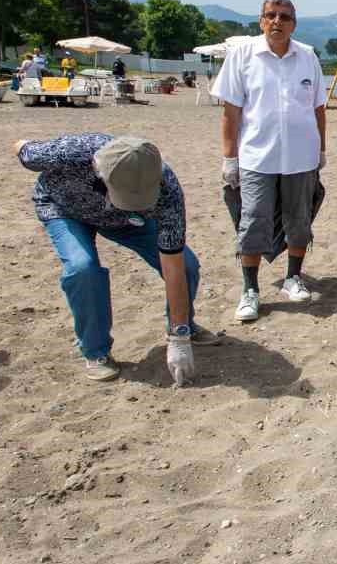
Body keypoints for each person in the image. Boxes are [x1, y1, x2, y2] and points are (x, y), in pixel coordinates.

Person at [16, 133, 219, 383]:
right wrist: (26, 145)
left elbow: (174, 264)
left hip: (125, 220)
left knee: (187, 265)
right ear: (98, 170)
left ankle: (184, 324)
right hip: (64, 209)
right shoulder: (68, 151)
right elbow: (23, 148)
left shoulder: (167, 187)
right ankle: (96, 351)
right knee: (83, 269)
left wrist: (179, 338)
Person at [213, 0, 327, 321]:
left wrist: (320, 150)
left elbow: (318, 108)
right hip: (256, 158)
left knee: (299, 220)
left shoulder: (308, 57)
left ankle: (293, 277)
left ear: (294, 24)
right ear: (261, 20)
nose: (277, 21)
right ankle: (250, 289)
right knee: (253, 221)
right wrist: (229, 157)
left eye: (285, 17)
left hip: (302, 157)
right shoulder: (242, 55)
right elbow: (230, 112)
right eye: (271, 15)